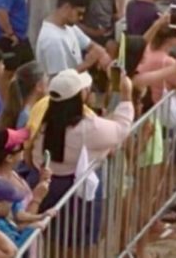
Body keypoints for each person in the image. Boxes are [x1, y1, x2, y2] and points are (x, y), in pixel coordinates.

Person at [33, 69, 134, 248]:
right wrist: (126, 96)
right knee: (82, 244)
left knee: (53, 241)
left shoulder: (44, 125)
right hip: (79, 193)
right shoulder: (88, 128)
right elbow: (121, 130)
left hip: (49, 188)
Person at [35, 0, 111, 77]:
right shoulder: (52, 40)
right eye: (79, 14)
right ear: (66, 8)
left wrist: (103, 56)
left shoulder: (69, 26)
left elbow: (91, 45)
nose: (81, 18)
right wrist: (87, 64)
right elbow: (59, 81)